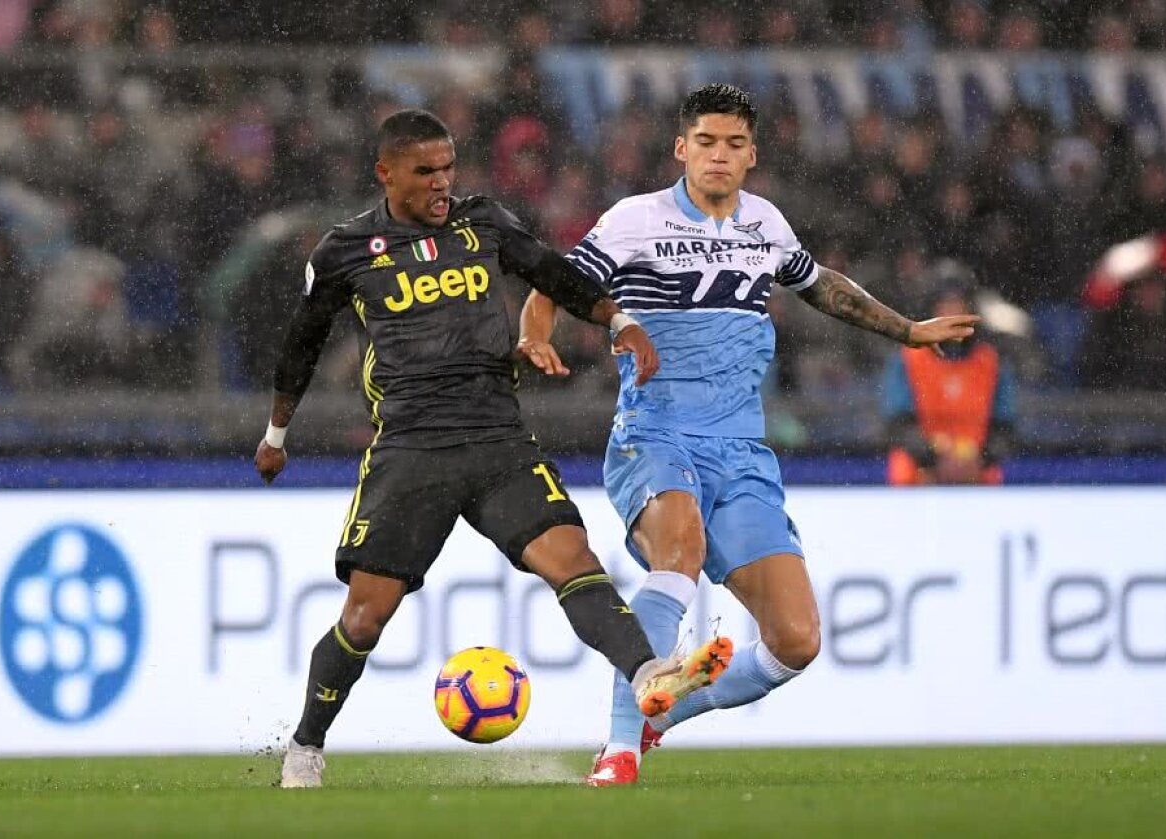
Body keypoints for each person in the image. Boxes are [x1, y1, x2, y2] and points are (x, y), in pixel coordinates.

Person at [253, 109, 733, 789]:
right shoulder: (346, 250)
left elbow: (553, 273)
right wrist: (276, 435)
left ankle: (649, 672)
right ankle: (306, 745)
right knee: (364, 618)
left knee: (573, 560)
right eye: (425, 171)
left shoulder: (482, 222)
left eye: (448, 167)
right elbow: (301, 344)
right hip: (411, 450)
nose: (441, 182)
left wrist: (618, 319)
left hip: (497, 438)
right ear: (386, 173)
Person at [519, 84, 978, 786]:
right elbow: (555, 281)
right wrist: (535, 333)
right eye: (706, 142)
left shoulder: (766, 223)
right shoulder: (635, 219)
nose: (719, 155)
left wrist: (909, 330)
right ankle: (618, 747)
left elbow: (821, 285)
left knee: (796, 640)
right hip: (657, 434)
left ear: (752, 155)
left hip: (740, 451)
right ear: (681, 148)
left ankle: (661, 715)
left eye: (734, 144)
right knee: (679, 552)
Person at [882, 277, 1017, 485]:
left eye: (958, 306)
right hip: (921, 467)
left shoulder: (991, 362)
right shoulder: (908, 360)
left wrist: (981, 459)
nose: (951, 314)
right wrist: (933, 460)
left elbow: (1005, 426)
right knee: (902, 466)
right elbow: (898, 423)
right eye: (945, 307)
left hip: (976, 467)